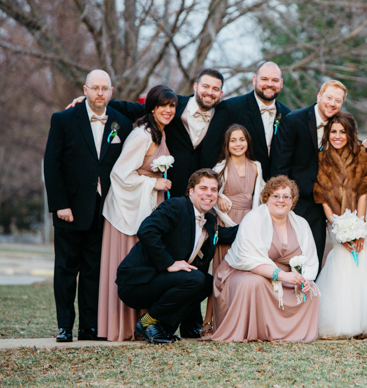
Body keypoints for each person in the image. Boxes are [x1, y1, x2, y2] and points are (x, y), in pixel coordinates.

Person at [43, 70, 133, 342]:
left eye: (104, 88)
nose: (99, 93)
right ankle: (64, 326)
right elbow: (52, 164)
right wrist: (60, 205)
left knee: (94, 270)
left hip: (102, 210)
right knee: (66, 270)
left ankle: (89, 327)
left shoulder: (121, 123)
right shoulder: (63, 119)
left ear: (111, 92)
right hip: (69, 210)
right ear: (85, 89)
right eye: (94, 88)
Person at [117, 169, 237, 344]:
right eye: (203, 188)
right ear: (191, 191)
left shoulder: (209, 221)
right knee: (196, 278)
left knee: (206, 282)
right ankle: (147, 323)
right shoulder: (175, 206)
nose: (209, 194)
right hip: (136, 283)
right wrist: (169, 263)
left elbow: (226, 235)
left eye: (213, 189)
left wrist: (261, 220)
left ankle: (163, 328)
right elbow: (146, 230)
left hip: (165, 283)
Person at [98, 85, 177, 341]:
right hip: (128, 211)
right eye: (163, 105)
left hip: (149, 205)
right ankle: (121, 326)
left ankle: (143, 324)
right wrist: (153, 183)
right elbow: (120, 174)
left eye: (172, 106)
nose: (168, 110)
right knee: (132, 267)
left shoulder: (160, 133)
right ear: (152, 107)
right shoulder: (142, 135)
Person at [211, 176, 320, 342]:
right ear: (266, 198)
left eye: (286, 196)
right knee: (255, 283)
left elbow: (311, 259)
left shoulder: (302, 224)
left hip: (285, 277)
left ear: (293, 201)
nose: (281, 200)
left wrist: (305, 279)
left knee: (311, 291)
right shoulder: (253, 219)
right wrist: (282, 275)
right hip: (242, 272)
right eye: (275, 196)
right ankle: (259, 332)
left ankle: (290, 334)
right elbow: (248, 259)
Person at [313, 112, 367, 338]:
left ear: (350, 133)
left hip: (363, 215)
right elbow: (321, 196)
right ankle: (342, 321)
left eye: (342, 131)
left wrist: (358, 228)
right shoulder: (321, 158)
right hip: (335, 218)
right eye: (333, 131)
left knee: (364, 257)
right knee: (341, 260)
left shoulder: (363, 155)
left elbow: (364, 192)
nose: (337, 136)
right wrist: (337, 225)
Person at [102, 69, 224, 198]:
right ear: (195, 86)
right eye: (205, 86)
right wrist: (95, 103)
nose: (209, 92)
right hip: (166, 191)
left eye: (215, 89)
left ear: (221, 93)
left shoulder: (223, 116)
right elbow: (133, 109)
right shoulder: (173, 105)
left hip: (199, 197)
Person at [271, 79, 347, 269]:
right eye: (329, 97)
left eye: (338, 101)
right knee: (288, 258)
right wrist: (285, 201)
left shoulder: (341, 127)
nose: (332, 103)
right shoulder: (294, 120)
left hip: (323, 206)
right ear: (319, 96)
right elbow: (280, 166)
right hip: (295, 203)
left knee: (313, 261)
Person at [201, 124, 265, 336]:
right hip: (228, 224)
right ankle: (210, 322)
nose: (238, 144)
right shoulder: (220, 168)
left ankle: (243, 320)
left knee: (247, 272)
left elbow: (259, 196)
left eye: (242, 139)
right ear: (227, 145)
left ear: (248, 142)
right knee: (221, 274)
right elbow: (211, 195)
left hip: (250, 223)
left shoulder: (256, 166)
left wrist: (252, 226)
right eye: (233, 140)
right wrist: (220, 199)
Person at [201, 62, 290, 180]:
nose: (269, 84)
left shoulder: (287, 114)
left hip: (274, 189)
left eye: (274, 80)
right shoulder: (230, 108)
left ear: (281, 83)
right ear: (254, 80)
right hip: (236, 186)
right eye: (264, 79)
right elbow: (211, 151)